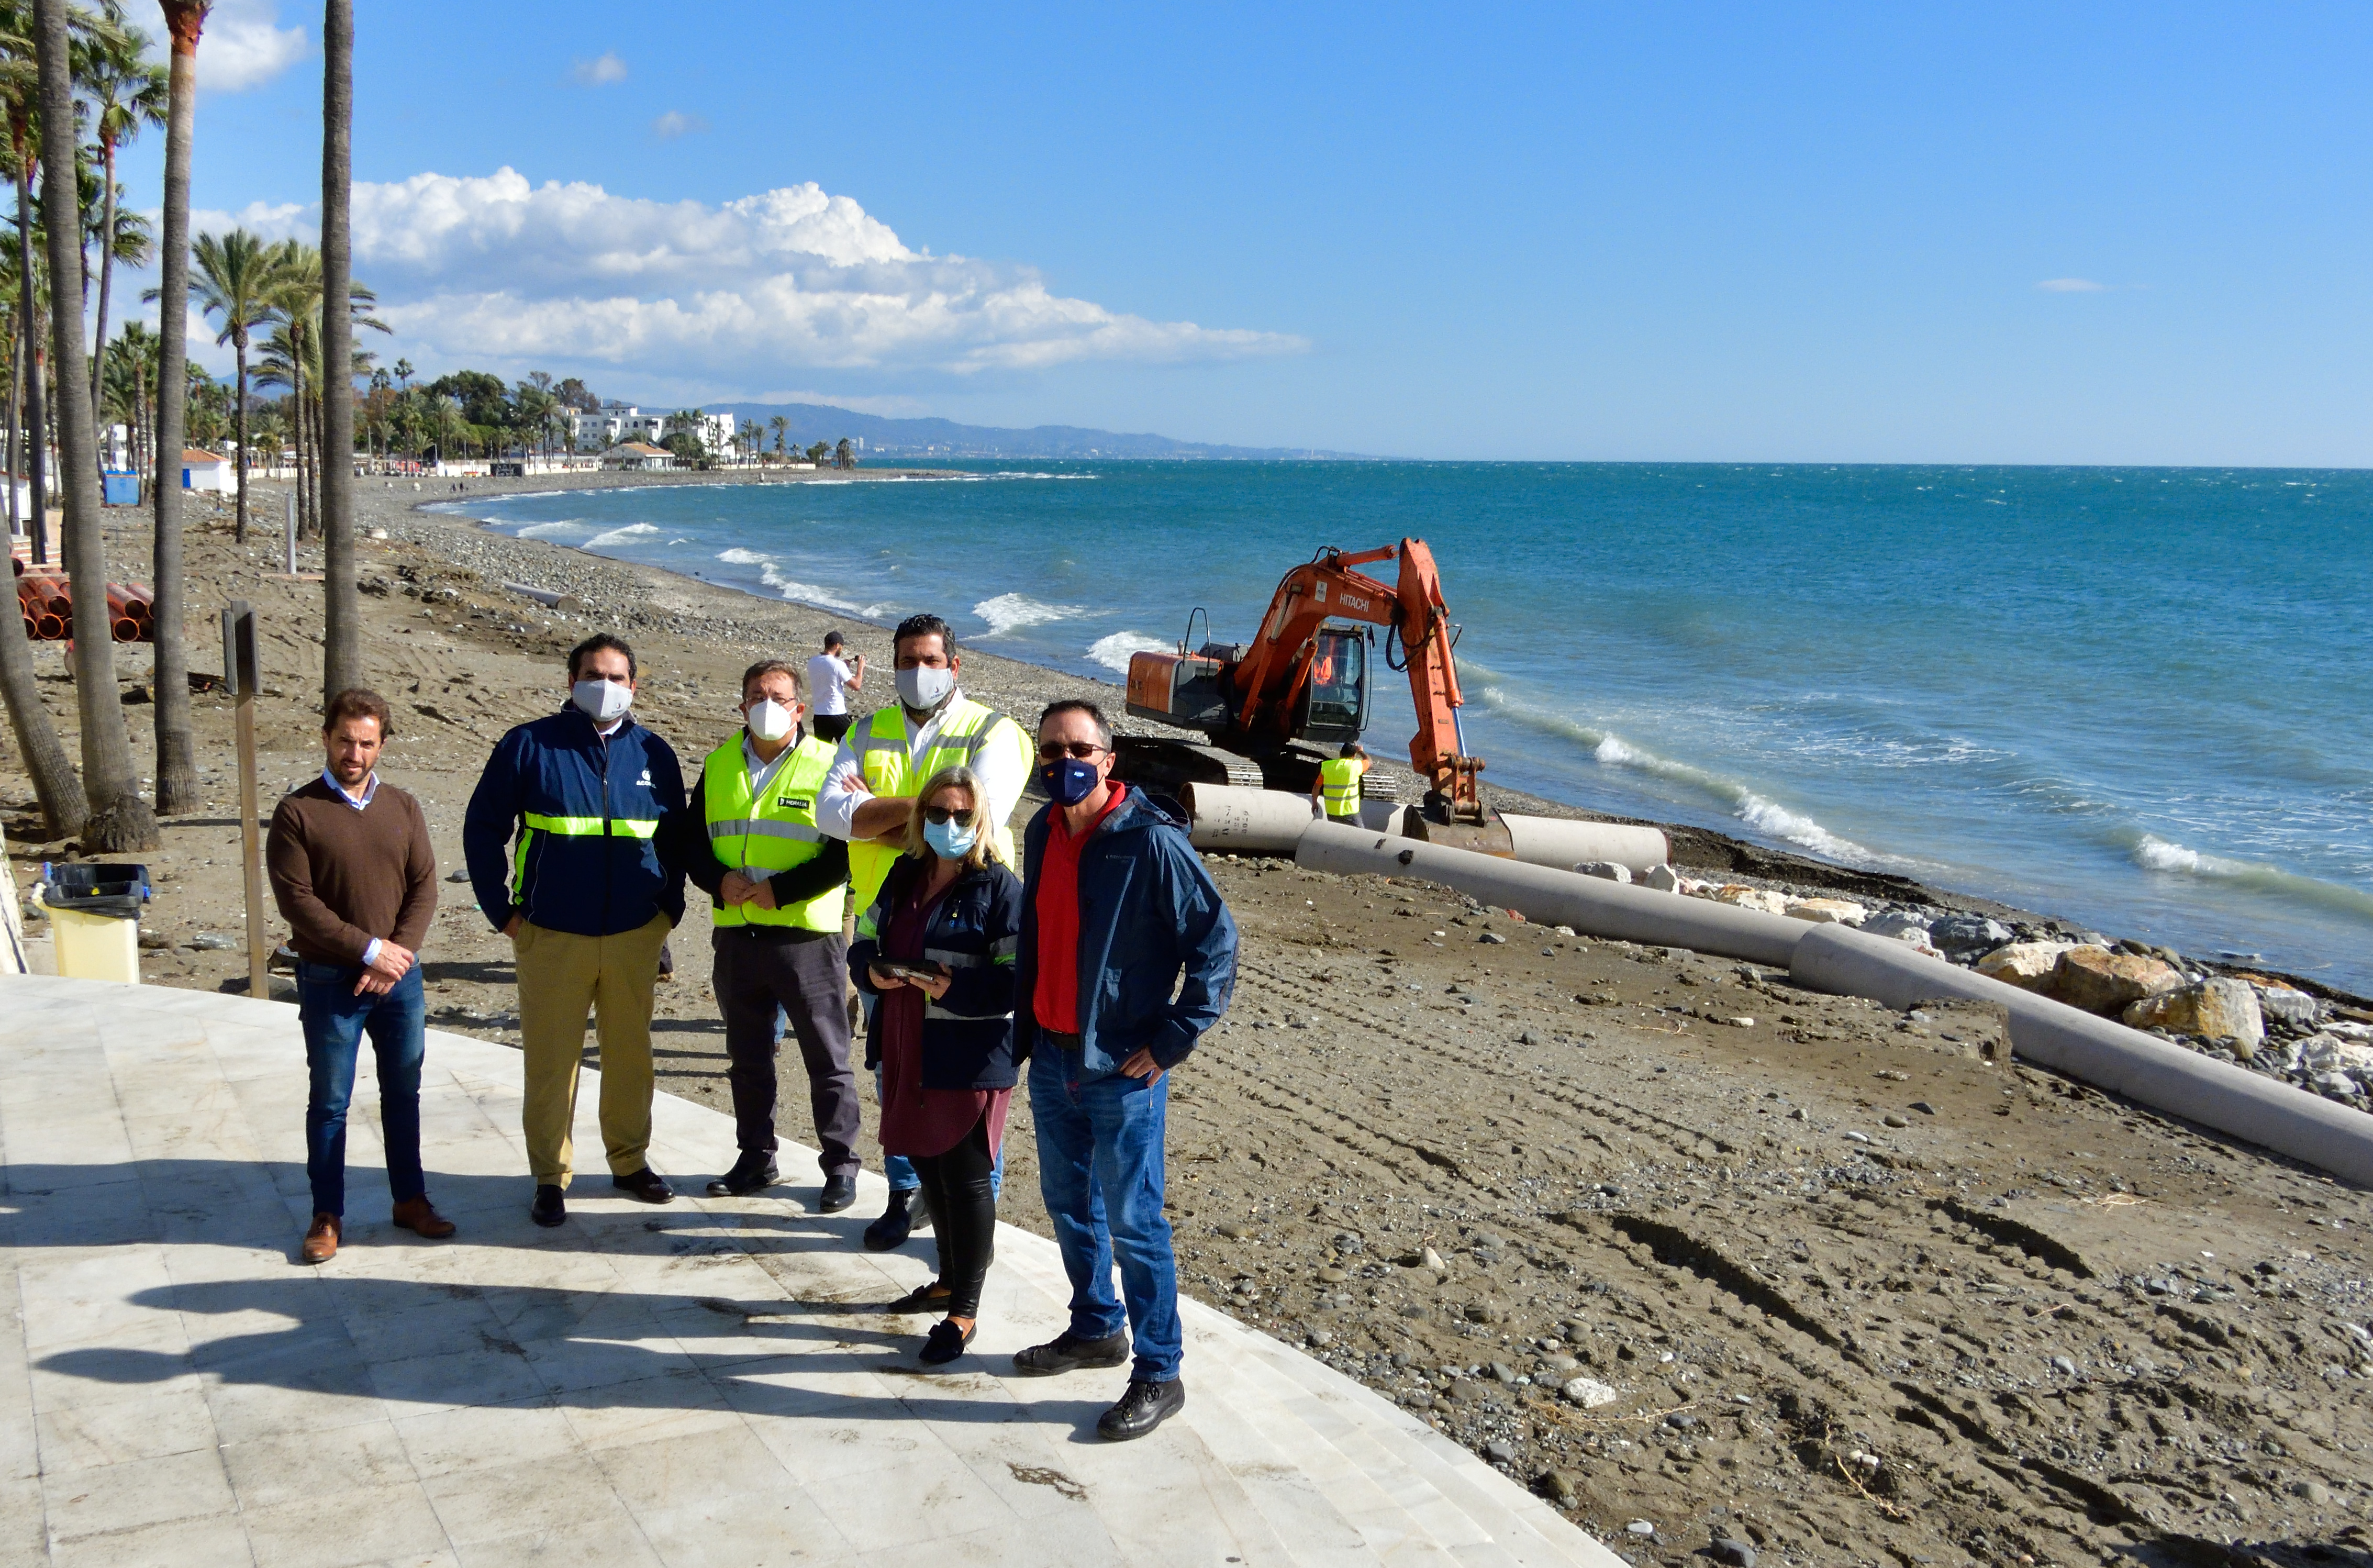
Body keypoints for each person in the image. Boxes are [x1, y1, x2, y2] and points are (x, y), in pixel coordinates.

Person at [1010, 698, 1237, 1441]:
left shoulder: (1150, 841)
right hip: (1051, 1054)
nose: (1063, 761)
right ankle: (1097, 1327)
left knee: (1136, 1220)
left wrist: (1173, 1037)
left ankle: (1159, 1370)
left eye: (1079, 748)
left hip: (1122, 1067)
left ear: (1109, 759)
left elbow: (1215, 943)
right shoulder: (1042, 828)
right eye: (1051, 750)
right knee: (1067, 1202)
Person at [816, 612, 1031, 1251]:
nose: (918, 670)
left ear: (954, 665)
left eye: (930, 659)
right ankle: (905, 1194)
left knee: (970, 1086)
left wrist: (872, 811)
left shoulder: (996, 731)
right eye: (907, 658)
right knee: (897, 1075)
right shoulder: (867, 729)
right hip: (893, 922)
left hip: (972, 927)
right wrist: (924, 812)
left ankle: (972, 1229)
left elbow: (978, 818)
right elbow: (832, 815)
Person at [463, 633, 686, 1228]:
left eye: (617, 677)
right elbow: (484, 828)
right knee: (552, 1062)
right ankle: (548, 1177)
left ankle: (629, 1161)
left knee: (631, 1057)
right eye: (593, 674)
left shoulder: (654, 754)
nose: (605, 685)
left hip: (634, 935)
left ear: (634, 686)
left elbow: (674, 842)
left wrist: (668, 912)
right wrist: (503, 911)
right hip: (551, 934)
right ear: (571, 682)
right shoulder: (529, 745)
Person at [659, 659, 860, 1210]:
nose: (767, 704)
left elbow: (845, 851)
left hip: (806, 940)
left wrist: (783, 892)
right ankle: (756, 1157)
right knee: (748, 1060)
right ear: (742, 705)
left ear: (800, 707)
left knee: (828, 1060)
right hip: (737, 938)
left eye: (778, 695)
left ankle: (841, 1165)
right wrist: (718, 880)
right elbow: (693, 841)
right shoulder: (720, 763)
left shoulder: (830, 762)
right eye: (756, 695)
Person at [266, 688, 452, 1264]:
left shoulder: (403, 806)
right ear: (326, 737)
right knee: (330, 1102)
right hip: (330, 981)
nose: (354, 752)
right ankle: (327, 1215)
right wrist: (369, 950)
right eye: (345, 739)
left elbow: (424, 885)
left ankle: (410, 1199)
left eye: (366, 742)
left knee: (404, 1093)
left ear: (382, 746)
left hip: (399, 982)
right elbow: (298, 903)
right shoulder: (298, 812)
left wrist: (397, 954)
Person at [849, 764, 1023, 1364]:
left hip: (968, 1056)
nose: (948, 824)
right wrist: (867, 969)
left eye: (961, 815)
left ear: (981, 822)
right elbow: (865, 936)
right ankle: (948, 1279)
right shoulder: (905, 872)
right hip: (904, 1044)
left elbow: (1014, 983)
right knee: (927, 1164)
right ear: (920, 818)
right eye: (937, 813)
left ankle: (964, 1311)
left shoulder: (1000, 888)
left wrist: (953, 991)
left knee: (968, 1178)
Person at [806, 631, 865, 746]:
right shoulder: (837, 665)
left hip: (820, 715)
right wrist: (860, 668)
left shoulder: (812, 662)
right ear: (837, 645)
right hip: (837, 714)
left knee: (822, 753)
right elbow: (856, 685)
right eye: (841, 647)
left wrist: (845, 668)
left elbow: (827, 676)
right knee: (850, 749)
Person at [1311, 741, 1371, 822]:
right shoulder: (1356, 766)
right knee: (1358, 835)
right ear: (1354, 756)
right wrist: (1361, 752)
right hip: (1350, 811)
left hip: (1332, 812)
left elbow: (1316, 787)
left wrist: (1315, 802)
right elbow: (1369, 762)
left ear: (1340, 753)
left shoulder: (1327, 766)